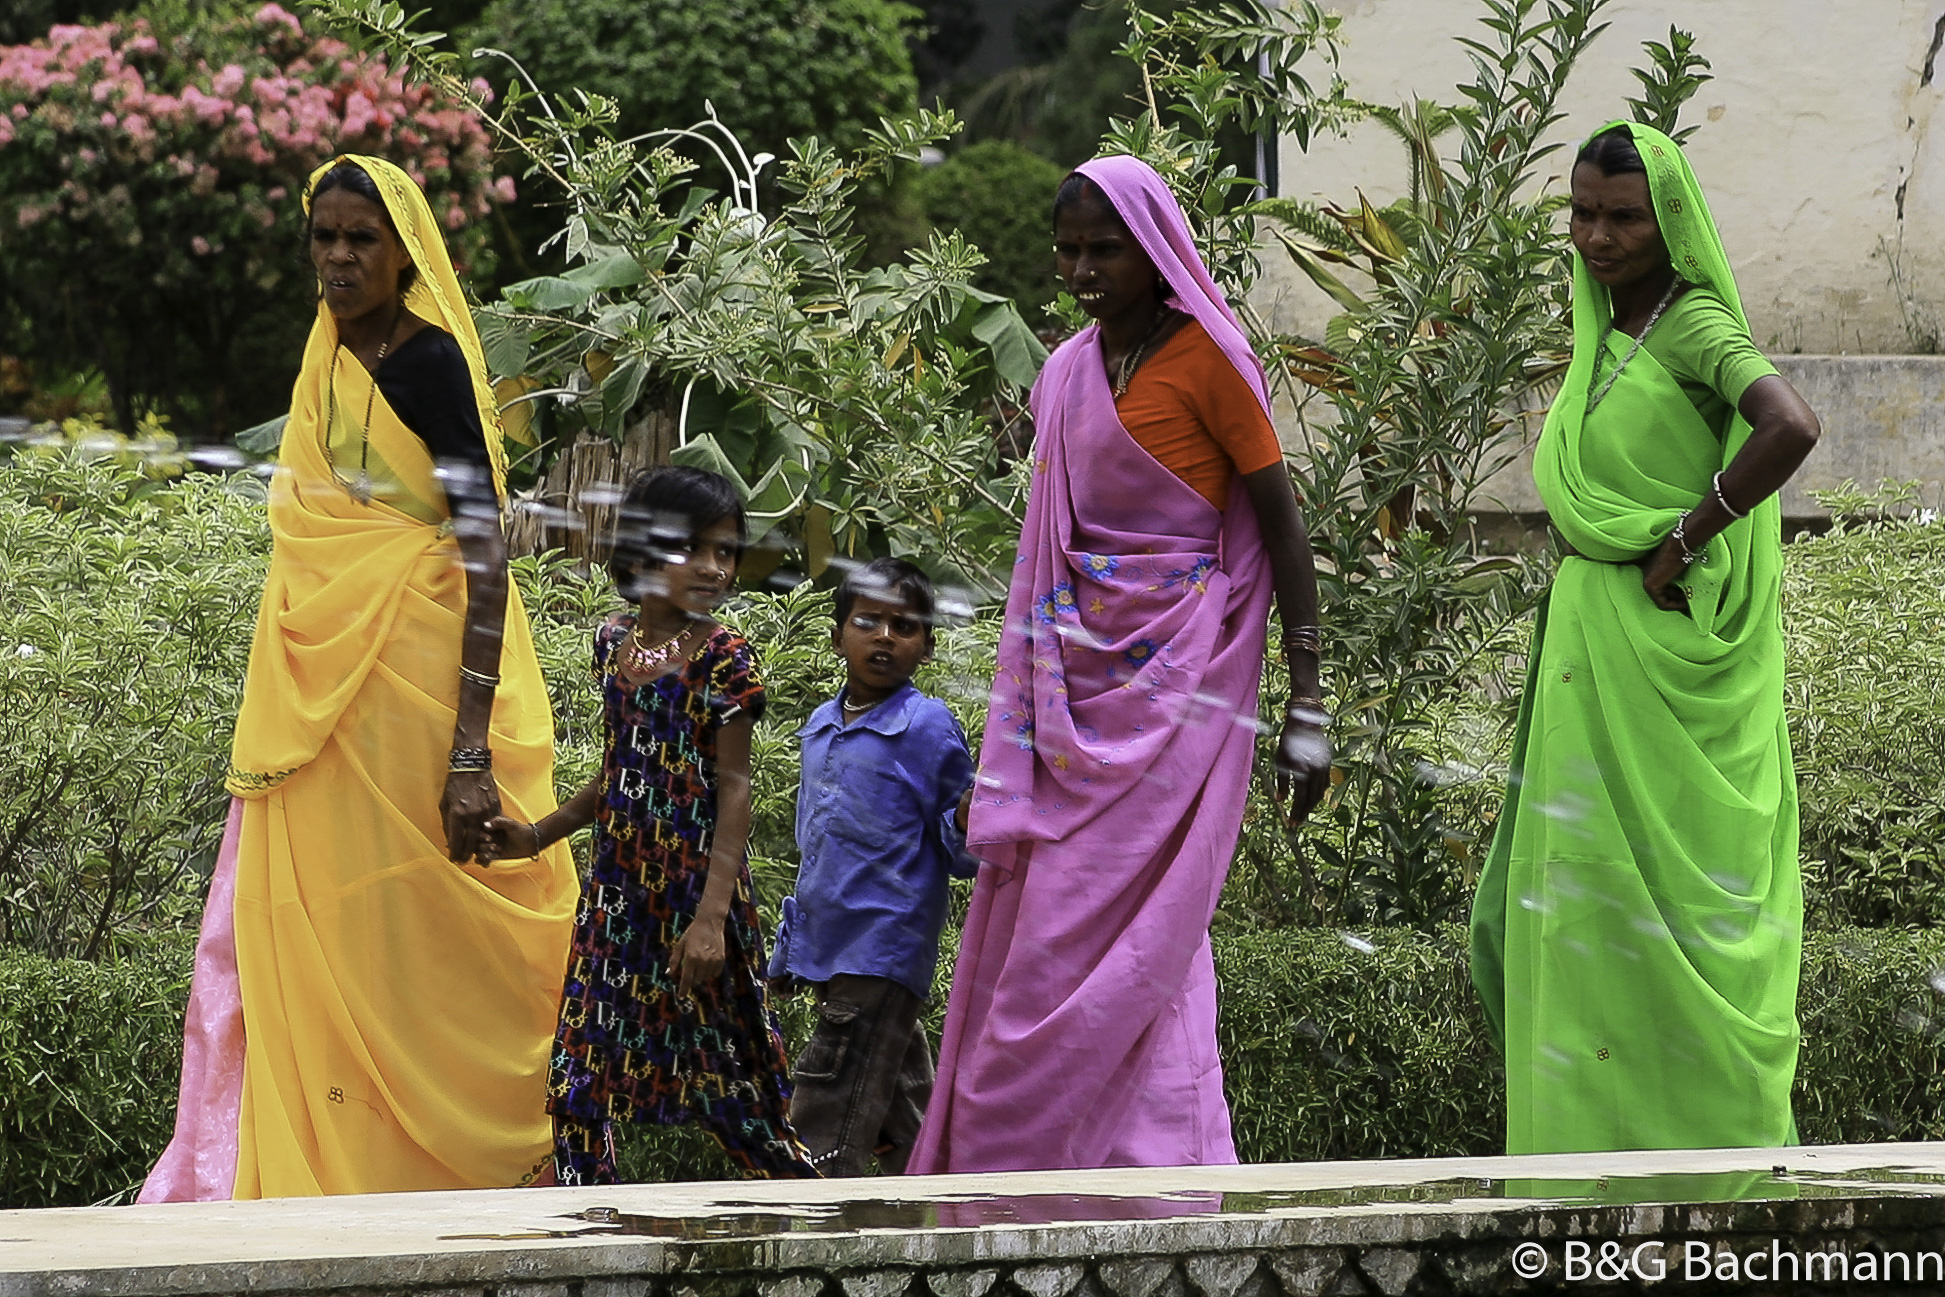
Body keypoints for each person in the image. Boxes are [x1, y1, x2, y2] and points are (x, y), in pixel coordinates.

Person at [140, 155, 577, 1200]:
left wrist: (471, 749)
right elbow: (316, 533)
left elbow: (484, 551)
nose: (337, 259)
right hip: (327, 708)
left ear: (404, 251)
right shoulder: (327, 355)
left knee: (428, 940)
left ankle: (445, 1174)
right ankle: (325, 1178)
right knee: (335, 932)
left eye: (360, 240)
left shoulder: (426, 366)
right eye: (324, 238)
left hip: (427, 699)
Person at [908, 154, 1332, 1174]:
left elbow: (1283, 535)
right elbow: (1051, 548)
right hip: (1070, 692)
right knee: (1044, 930)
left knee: (1164, 921)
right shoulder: (1062, 373)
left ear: (1154, 250)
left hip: (1180, 686)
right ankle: (1027, 1180)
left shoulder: (1212, 364)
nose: (1084, 268)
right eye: (1067, 250)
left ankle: (1156, 1175)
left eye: (1104, 248)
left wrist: (1308, 702)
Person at [1469, 121, 1821, 1155]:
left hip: (1666, 661)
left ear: (1667, 223)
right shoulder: (1599, 325)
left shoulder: (1691, 324)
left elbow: (1790, 424)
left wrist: (1687, 531)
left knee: (1681, 924)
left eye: (1623, 217)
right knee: (1578, 919)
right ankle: (1585, 1176)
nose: (1597, 236)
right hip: (1594, 659)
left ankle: (1706, 1177)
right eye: (1581, 213)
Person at [485, 466, 818, 1183]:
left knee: (734, 1093)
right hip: (616, 902)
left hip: (695, 903)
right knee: (578, 1075)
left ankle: (816, 1224)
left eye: (725, 551)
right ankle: (586, 1234)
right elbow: (618, 769)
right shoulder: (614, 643)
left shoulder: (724, 658)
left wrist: (709, 920)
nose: (712, 565)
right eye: (690, 547)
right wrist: (537, 835)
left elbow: (734, 793)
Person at [767, 557, 978, 1176]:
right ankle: (958, 1217)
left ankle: (809, 1233)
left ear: (926, 648)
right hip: (833, 949)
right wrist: (791, 948)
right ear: (838, 636)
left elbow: (963, 850)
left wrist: (969, 815)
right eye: (868, 621)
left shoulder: (927, 727)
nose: (885, 636)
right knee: (901, 1108)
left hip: (882, 947)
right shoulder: (820, 728)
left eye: (904, 626)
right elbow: (816, 849)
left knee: (824, 1114)